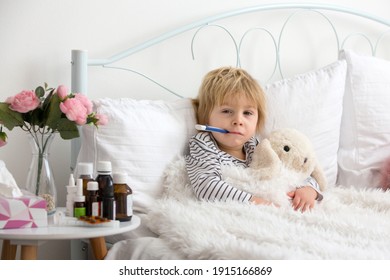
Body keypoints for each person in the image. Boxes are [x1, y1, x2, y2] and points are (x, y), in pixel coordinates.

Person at [185, 66, 322, 212]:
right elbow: (206, 186)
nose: (238, 120)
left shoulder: (257, 146)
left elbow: (294, 171)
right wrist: (256, 202)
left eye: (247, 113)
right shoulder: (203, 144)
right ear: (206, 118)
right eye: (226, 111)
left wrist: (308, 189)